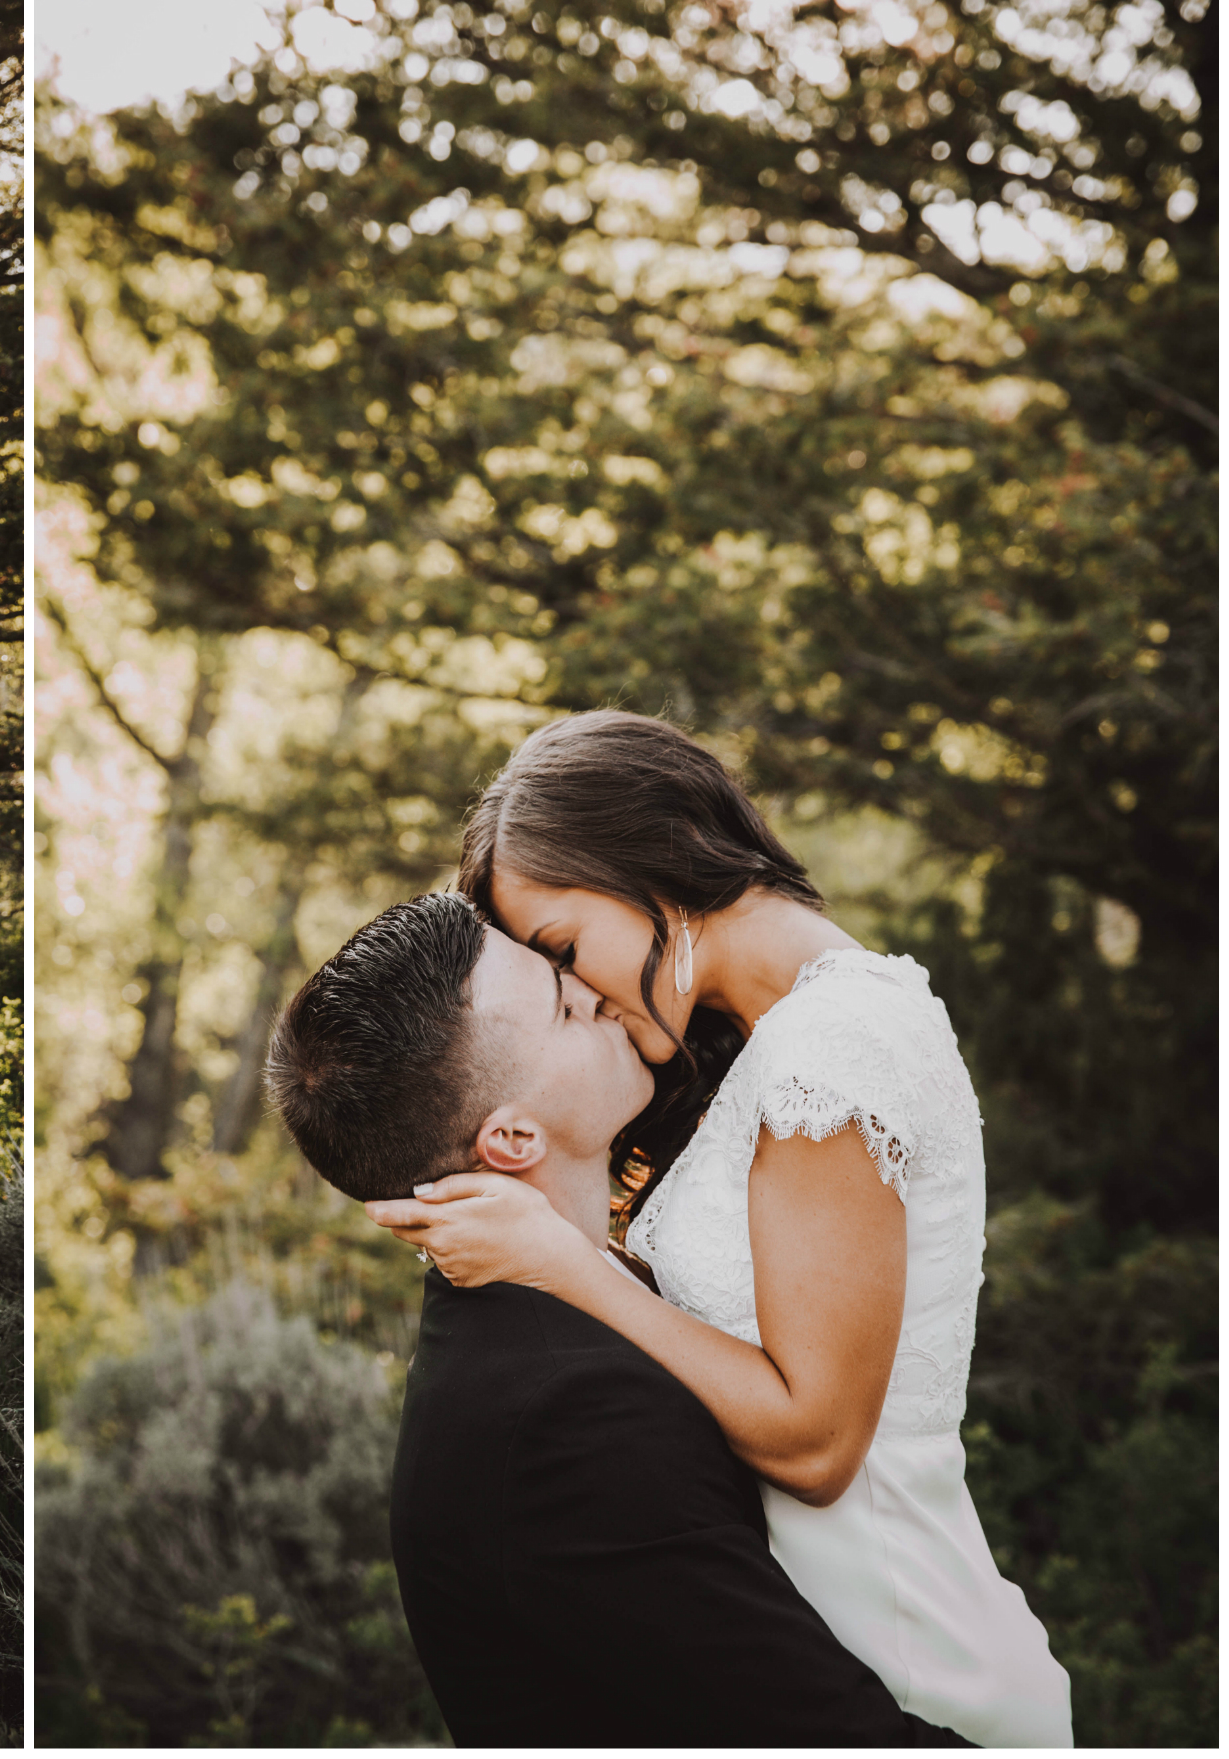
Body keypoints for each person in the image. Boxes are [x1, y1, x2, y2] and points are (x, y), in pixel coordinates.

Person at [362, 710, 1071, 1748]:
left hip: (905, 1659)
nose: (583, 995)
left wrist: (570, 1268)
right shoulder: (772, 1039)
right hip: (820, 1636)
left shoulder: (830, 1049)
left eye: (565, 949)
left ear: (657, 861)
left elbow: (818, 1442)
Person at [269, 892, 971, 1746]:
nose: (600, 993)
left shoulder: (539, 1327)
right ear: (515, 1139)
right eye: (564, 1006)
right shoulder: (567, 1422)